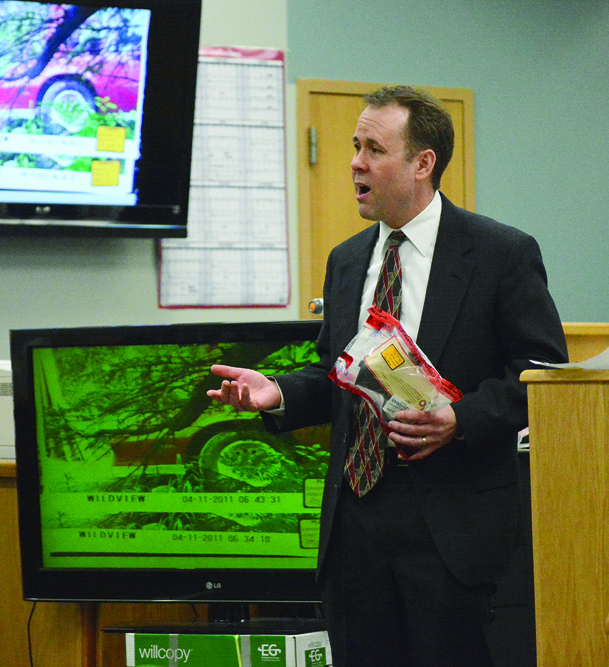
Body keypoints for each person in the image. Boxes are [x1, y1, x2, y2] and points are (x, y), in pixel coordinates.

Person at [208, 85, 567, 666]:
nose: (355, 162)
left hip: (450, 530)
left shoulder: (501, 253)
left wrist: (461, 417)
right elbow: (338, 373)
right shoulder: (347, 259)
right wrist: (278, 393)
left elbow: (542, 372)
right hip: (355, 530)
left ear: (423, 164)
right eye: (354, 146)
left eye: (373, 148)